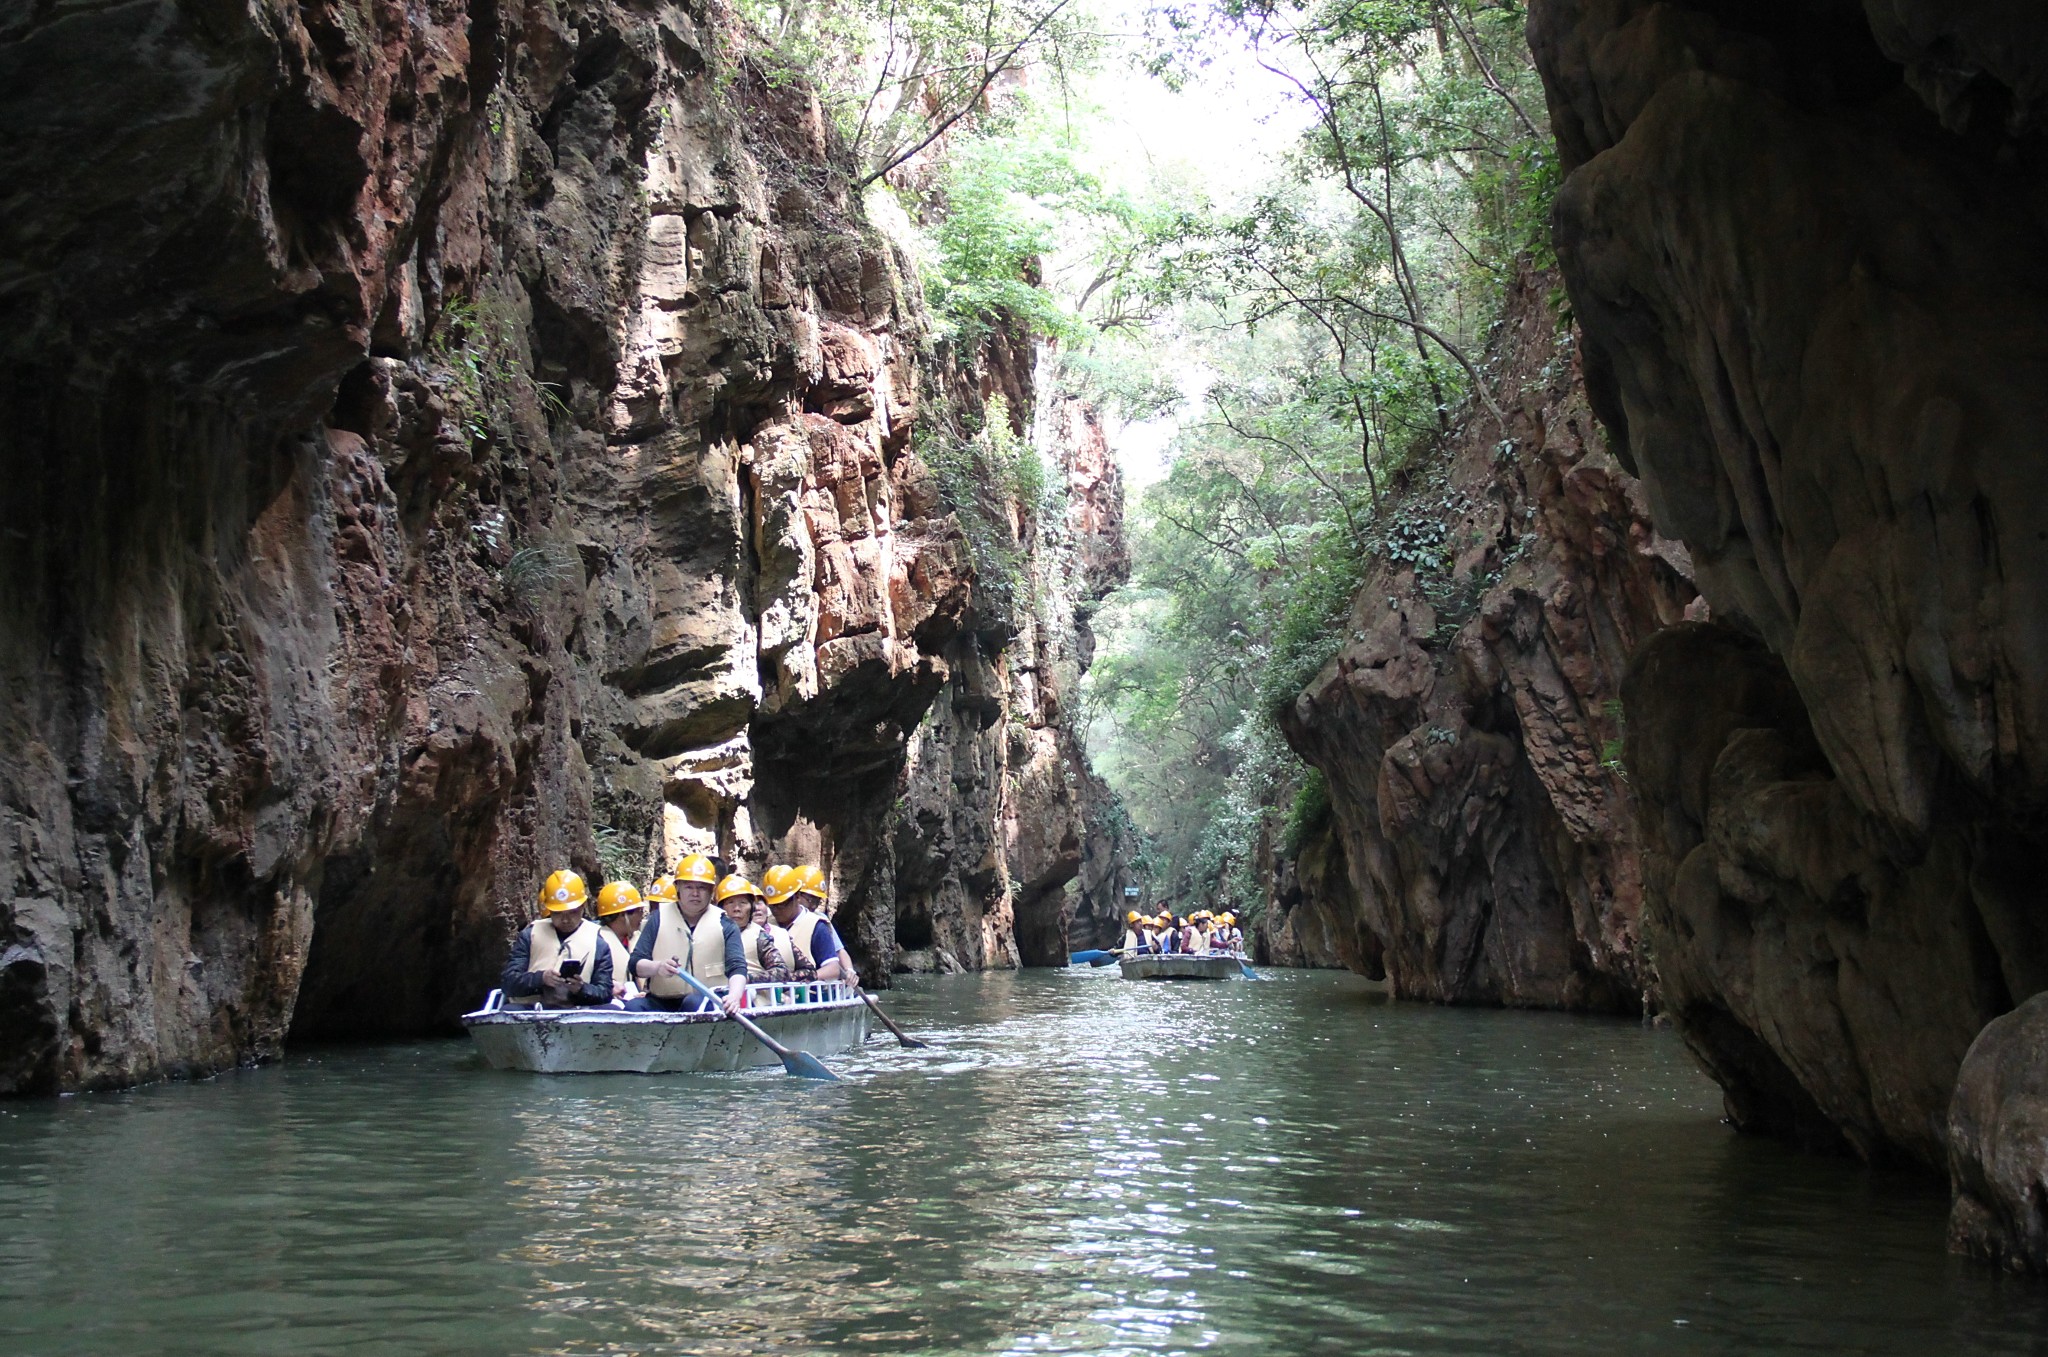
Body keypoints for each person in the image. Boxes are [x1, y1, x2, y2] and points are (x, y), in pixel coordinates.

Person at [626, 854, 747, 1013]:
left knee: (692, 1003)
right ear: (678, 888)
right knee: (633, 1007)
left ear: (712, 890)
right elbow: (635, 964)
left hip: (707, 1001)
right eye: (689, 887)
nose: (695, 893)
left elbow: (737, 968)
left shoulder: (725, 924)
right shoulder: (658, 919)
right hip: (663, 1001)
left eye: (702, 887)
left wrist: (734, 996)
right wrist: (657, 967)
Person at [501, 869, 613, 1008]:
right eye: (558, 913)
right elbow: (509, 982)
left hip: (578, 1012)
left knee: (610, 1009)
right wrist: (540, 979)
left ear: (583, 907)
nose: (565, 920)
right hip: (533, 1009)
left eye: (572, 912)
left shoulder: (598, 943)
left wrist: (581, 989)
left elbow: (605, 992)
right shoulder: (529, 935)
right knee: (509, 1010)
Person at [767, 864, 858, 985]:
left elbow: (834, 965)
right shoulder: (766, 923)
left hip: (804, 992)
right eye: (773, 905)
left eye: (782, 904)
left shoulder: (817, 925)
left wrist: (797, 979)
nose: (776, 910)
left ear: (797, 896)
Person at [742, 869, 803, 982]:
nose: (757, 908)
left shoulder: (781, 935)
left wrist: (748, 979)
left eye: (760, 902)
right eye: (750, 903)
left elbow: (809, 971)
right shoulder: (730, 936)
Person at [595, 880, 647, 1003]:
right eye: (639, 911)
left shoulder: (636, 939)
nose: (642, 917)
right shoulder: (596, 941)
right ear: (624, 915)